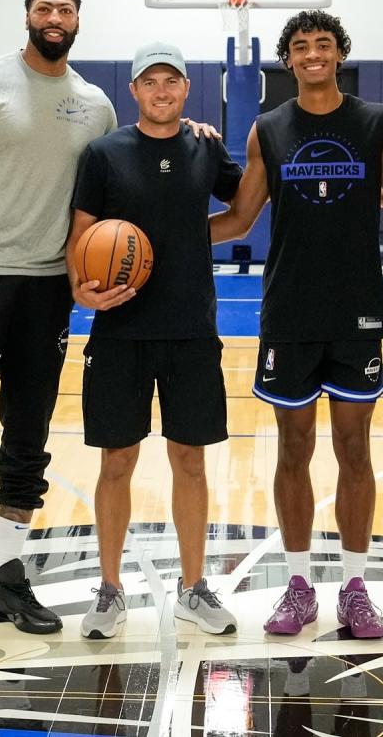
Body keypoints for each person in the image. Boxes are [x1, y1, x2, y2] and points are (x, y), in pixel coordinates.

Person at [0, 0, 214, 658]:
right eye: (44, 8)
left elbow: (138, 162)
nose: (55, 17)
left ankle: (7, 578)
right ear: (28, 17)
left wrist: (192, 132)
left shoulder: (94, 105)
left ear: (78, 21)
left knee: (28, 437)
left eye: (65, 9)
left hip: (47, 291)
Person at [210, 10, 383, 637]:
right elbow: (240, 218)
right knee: (293, 448)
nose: (313, 54)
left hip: (356, 309)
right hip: (290, 309)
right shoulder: (268, 129)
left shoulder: (376, 122)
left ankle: (354, 588)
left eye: (324, 44)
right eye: (301, 46)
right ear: (288, 60)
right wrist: (163, 236)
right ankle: (298, 586)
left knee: (355, 448)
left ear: (340, 54)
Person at [67, 42, 242, 639]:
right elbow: (82, 233)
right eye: (150, 82)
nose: (161, 91)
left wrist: (191, 234)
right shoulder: (104, 153)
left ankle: (193, 588)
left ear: (186, 89)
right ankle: (109, 589)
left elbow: (243, 210)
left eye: (171, 81)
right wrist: (81, 288)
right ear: (134, 90)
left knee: (189, 460)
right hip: (121, 330)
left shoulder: (206, 148)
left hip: (191, 328)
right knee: (116, 461)